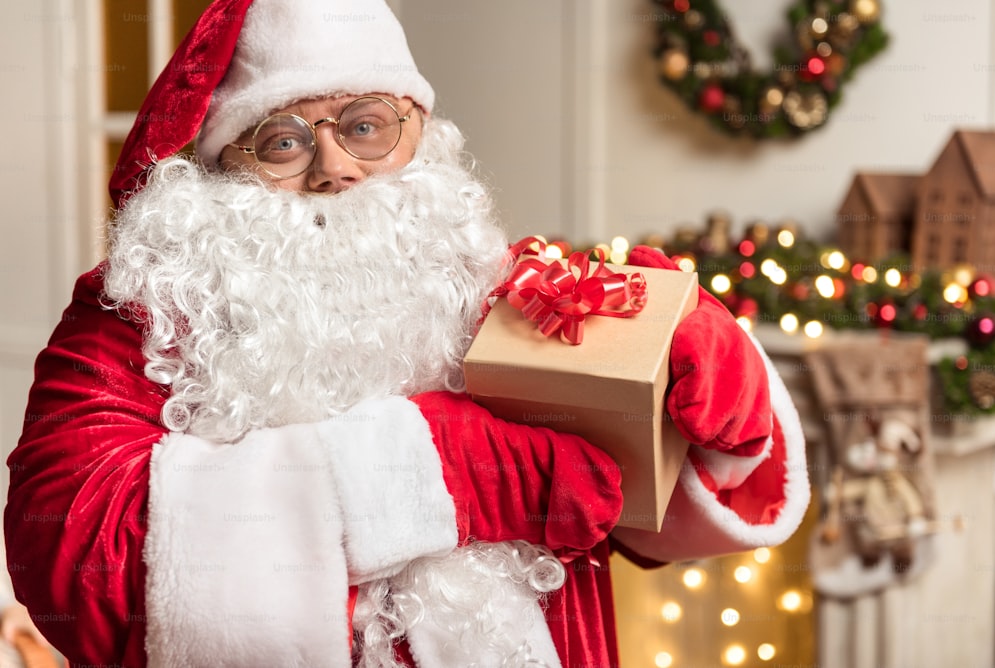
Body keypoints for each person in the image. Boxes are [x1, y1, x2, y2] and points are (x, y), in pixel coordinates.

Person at [5, 0, 810, 666]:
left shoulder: (515, 289)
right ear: (220, 169)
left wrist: (713, 400)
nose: (335, 169)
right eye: (282, 141)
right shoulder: (136, 314)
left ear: (419, 132)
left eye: (365, 126)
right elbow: (77, 565)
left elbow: (638, 503)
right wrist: (430, 472)